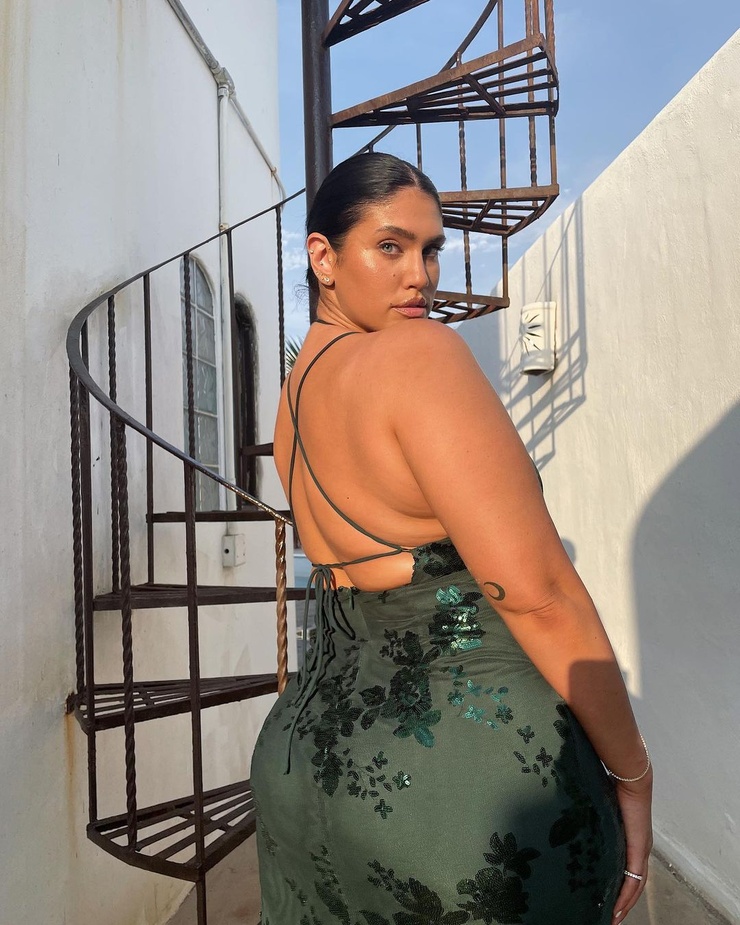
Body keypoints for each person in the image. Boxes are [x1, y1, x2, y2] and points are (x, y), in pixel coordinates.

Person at [251, 153, 653, 925]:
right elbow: (539, 597)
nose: (422, 277)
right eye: (391, 246)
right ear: (322, 257)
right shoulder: (420, 354)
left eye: (431, 250)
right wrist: (633, 772)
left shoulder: (293, 398)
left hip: (302, 770)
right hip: (458, 796)